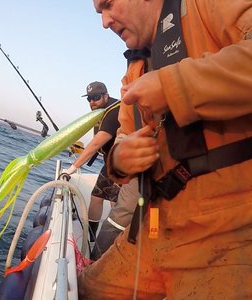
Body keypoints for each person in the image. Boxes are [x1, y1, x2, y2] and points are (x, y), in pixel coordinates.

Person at [78, 0, 252, 298]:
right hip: (154, 232)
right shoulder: (133, 72)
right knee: (83, 291)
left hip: (232, 234)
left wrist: (174, 86)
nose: (105, 22)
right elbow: (121, 139)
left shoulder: (209, 5)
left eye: (108, 5)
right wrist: (120, 158)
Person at [64, 81, 121, 244]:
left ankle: (114, 241)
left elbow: (97, 142)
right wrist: (81, 151)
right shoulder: (101, 110)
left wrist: (73, 168)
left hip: (123, 164)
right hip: (110, 161)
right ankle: (90, 237)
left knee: (115, 202)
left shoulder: (113, 111)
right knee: (97, 196)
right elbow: (99, 145)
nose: (92, 102)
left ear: (106, 96)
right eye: (89, 99)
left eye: (96, 97)